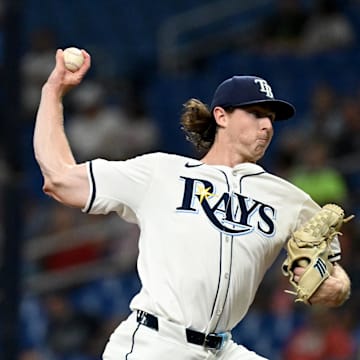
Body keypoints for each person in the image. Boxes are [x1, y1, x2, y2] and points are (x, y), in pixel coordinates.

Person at [33, 49, 352, 360]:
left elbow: (333, 273)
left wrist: (332, 285)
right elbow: (59, 178)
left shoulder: (288, 199)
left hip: (221, 348)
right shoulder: (162, 172)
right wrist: (53, 91)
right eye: (255, 114)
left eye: (271, 118)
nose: (267, 125)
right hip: (156, 344)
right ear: (221, 116)